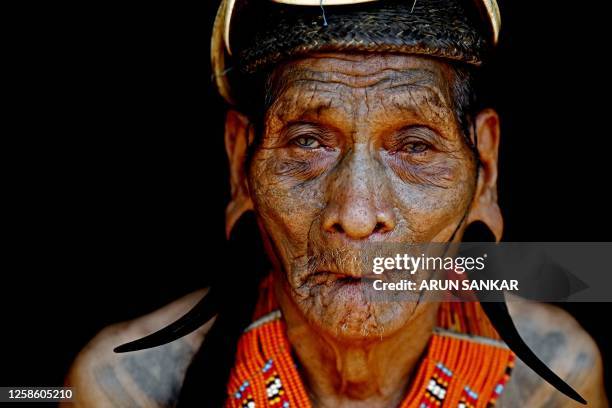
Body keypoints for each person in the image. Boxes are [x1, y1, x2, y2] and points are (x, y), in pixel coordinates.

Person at [64, 0, 608, 406]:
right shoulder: (127, 389)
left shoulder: (551, 377)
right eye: (307, 142)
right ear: (240, 167)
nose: (354, 213)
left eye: (415, 146)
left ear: (484, 172)